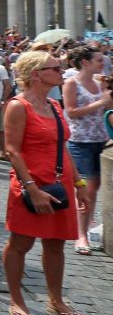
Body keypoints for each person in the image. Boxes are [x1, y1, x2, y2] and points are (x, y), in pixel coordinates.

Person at [2, 51, 90, 315]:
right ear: (36, 74)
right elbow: (12, 150)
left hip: (59, 184)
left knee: (56, 245)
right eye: (56, 68)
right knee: (21, 244)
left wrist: (79, 183)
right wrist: (32, 188)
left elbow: (63, 146)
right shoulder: (18, 105)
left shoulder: (55, 104)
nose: (62, 71)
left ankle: (56, 301)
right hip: (30, 184)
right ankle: (16, 300)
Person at [61, 46, 113, 255]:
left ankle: (87, 224)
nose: (103, 63)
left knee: (96, 187)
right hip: (81, 141)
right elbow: (71, 112)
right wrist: (101, 102)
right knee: (86, 189)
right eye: (99, 60)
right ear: (85, 62)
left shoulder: (101, 83)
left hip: (102, 141)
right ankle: (80, 235)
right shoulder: (71, 83)